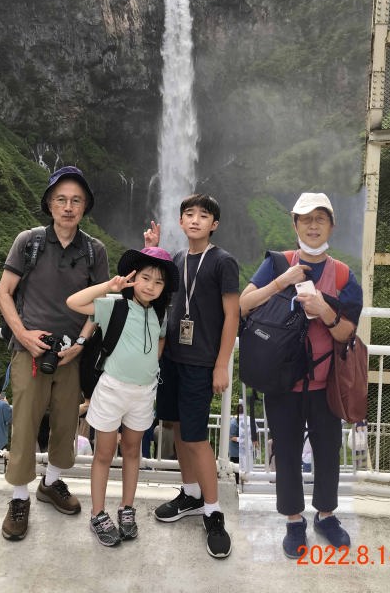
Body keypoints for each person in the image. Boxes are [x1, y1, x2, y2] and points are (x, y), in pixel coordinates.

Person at [239, 192, 363, 559]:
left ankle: (326, 515)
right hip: (282, 381)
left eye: (320, 219)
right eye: (306, 219)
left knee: (328, 451)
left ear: (331, 225)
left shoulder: (344, 274)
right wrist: (283, 282)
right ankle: (294, 520)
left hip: (327, 383)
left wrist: (324, 309)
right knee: (287, 451)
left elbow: (347, 332)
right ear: (295, 224)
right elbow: (244, 304)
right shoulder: (278, 263)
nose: (313, 226)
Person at [0, 166, 109, 541]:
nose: (68, 207)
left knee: (65, 423)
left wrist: (81, 343)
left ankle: (51, 483)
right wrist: (23, 335)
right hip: (29, 351)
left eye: (76, 200)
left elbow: (101, 304)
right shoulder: (28, 242)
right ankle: (18, 499)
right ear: (49, 204)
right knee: (25, 424)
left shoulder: (94, 251)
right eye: (61, 199)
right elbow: (4, 292)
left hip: (71, 354)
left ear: (85, 206)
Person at [145, 194, 240, 559]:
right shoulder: (177, 259)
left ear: (214, 224)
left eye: (204, 215)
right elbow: (151, 287)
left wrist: (221, 364)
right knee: (178, 428)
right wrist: (151, 249)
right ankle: (191, 494)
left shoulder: (223, 261)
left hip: (201, 362)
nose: (196, 219)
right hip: (173, 358)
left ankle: (213, 513)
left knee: (197, 437)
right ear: (181, 221)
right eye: (189, 214)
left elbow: (232, 316)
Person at [66, 246, 179, 547]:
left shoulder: (159, 314)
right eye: (145, 278)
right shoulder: (115, 305)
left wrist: (149, 369)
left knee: (132, 451)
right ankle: (98, 513)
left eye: (158, 282)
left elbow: (159, 343)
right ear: (133, 278)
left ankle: (126, 509)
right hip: (112, 389)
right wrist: (110, 286)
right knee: (104, 453)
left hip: (143, 394)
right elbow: (74, 302)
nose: (151, 286)